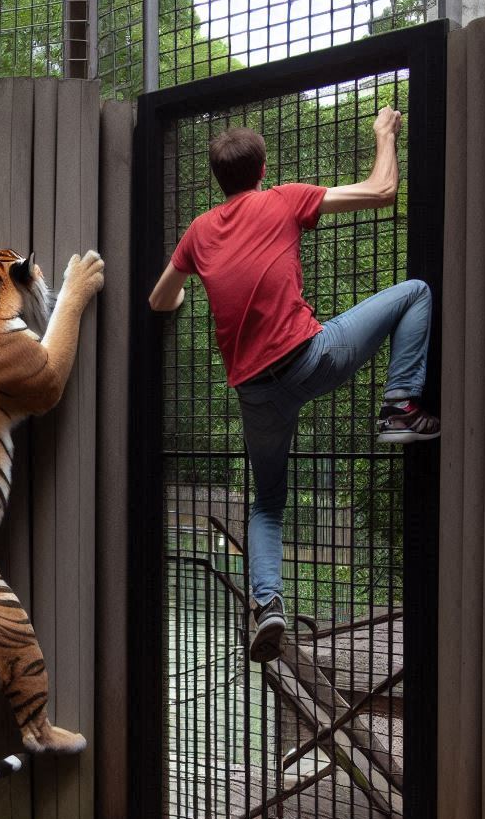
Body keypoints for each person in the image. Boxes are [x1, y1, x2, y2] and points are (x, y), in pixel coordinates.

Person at [148, 107, 439, 663]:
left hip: (254, 392)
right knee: (417, 292)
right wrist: (383, 134)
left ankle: (269, 605)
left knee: (268, 504)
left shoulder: (198, 232)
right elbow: (382, 191)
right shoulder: (281, 198)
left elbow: (159, 299)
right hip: (311, 359)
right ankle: (401, 404)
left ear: (218, 179)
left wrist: (184, 294)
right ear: (261, 170)